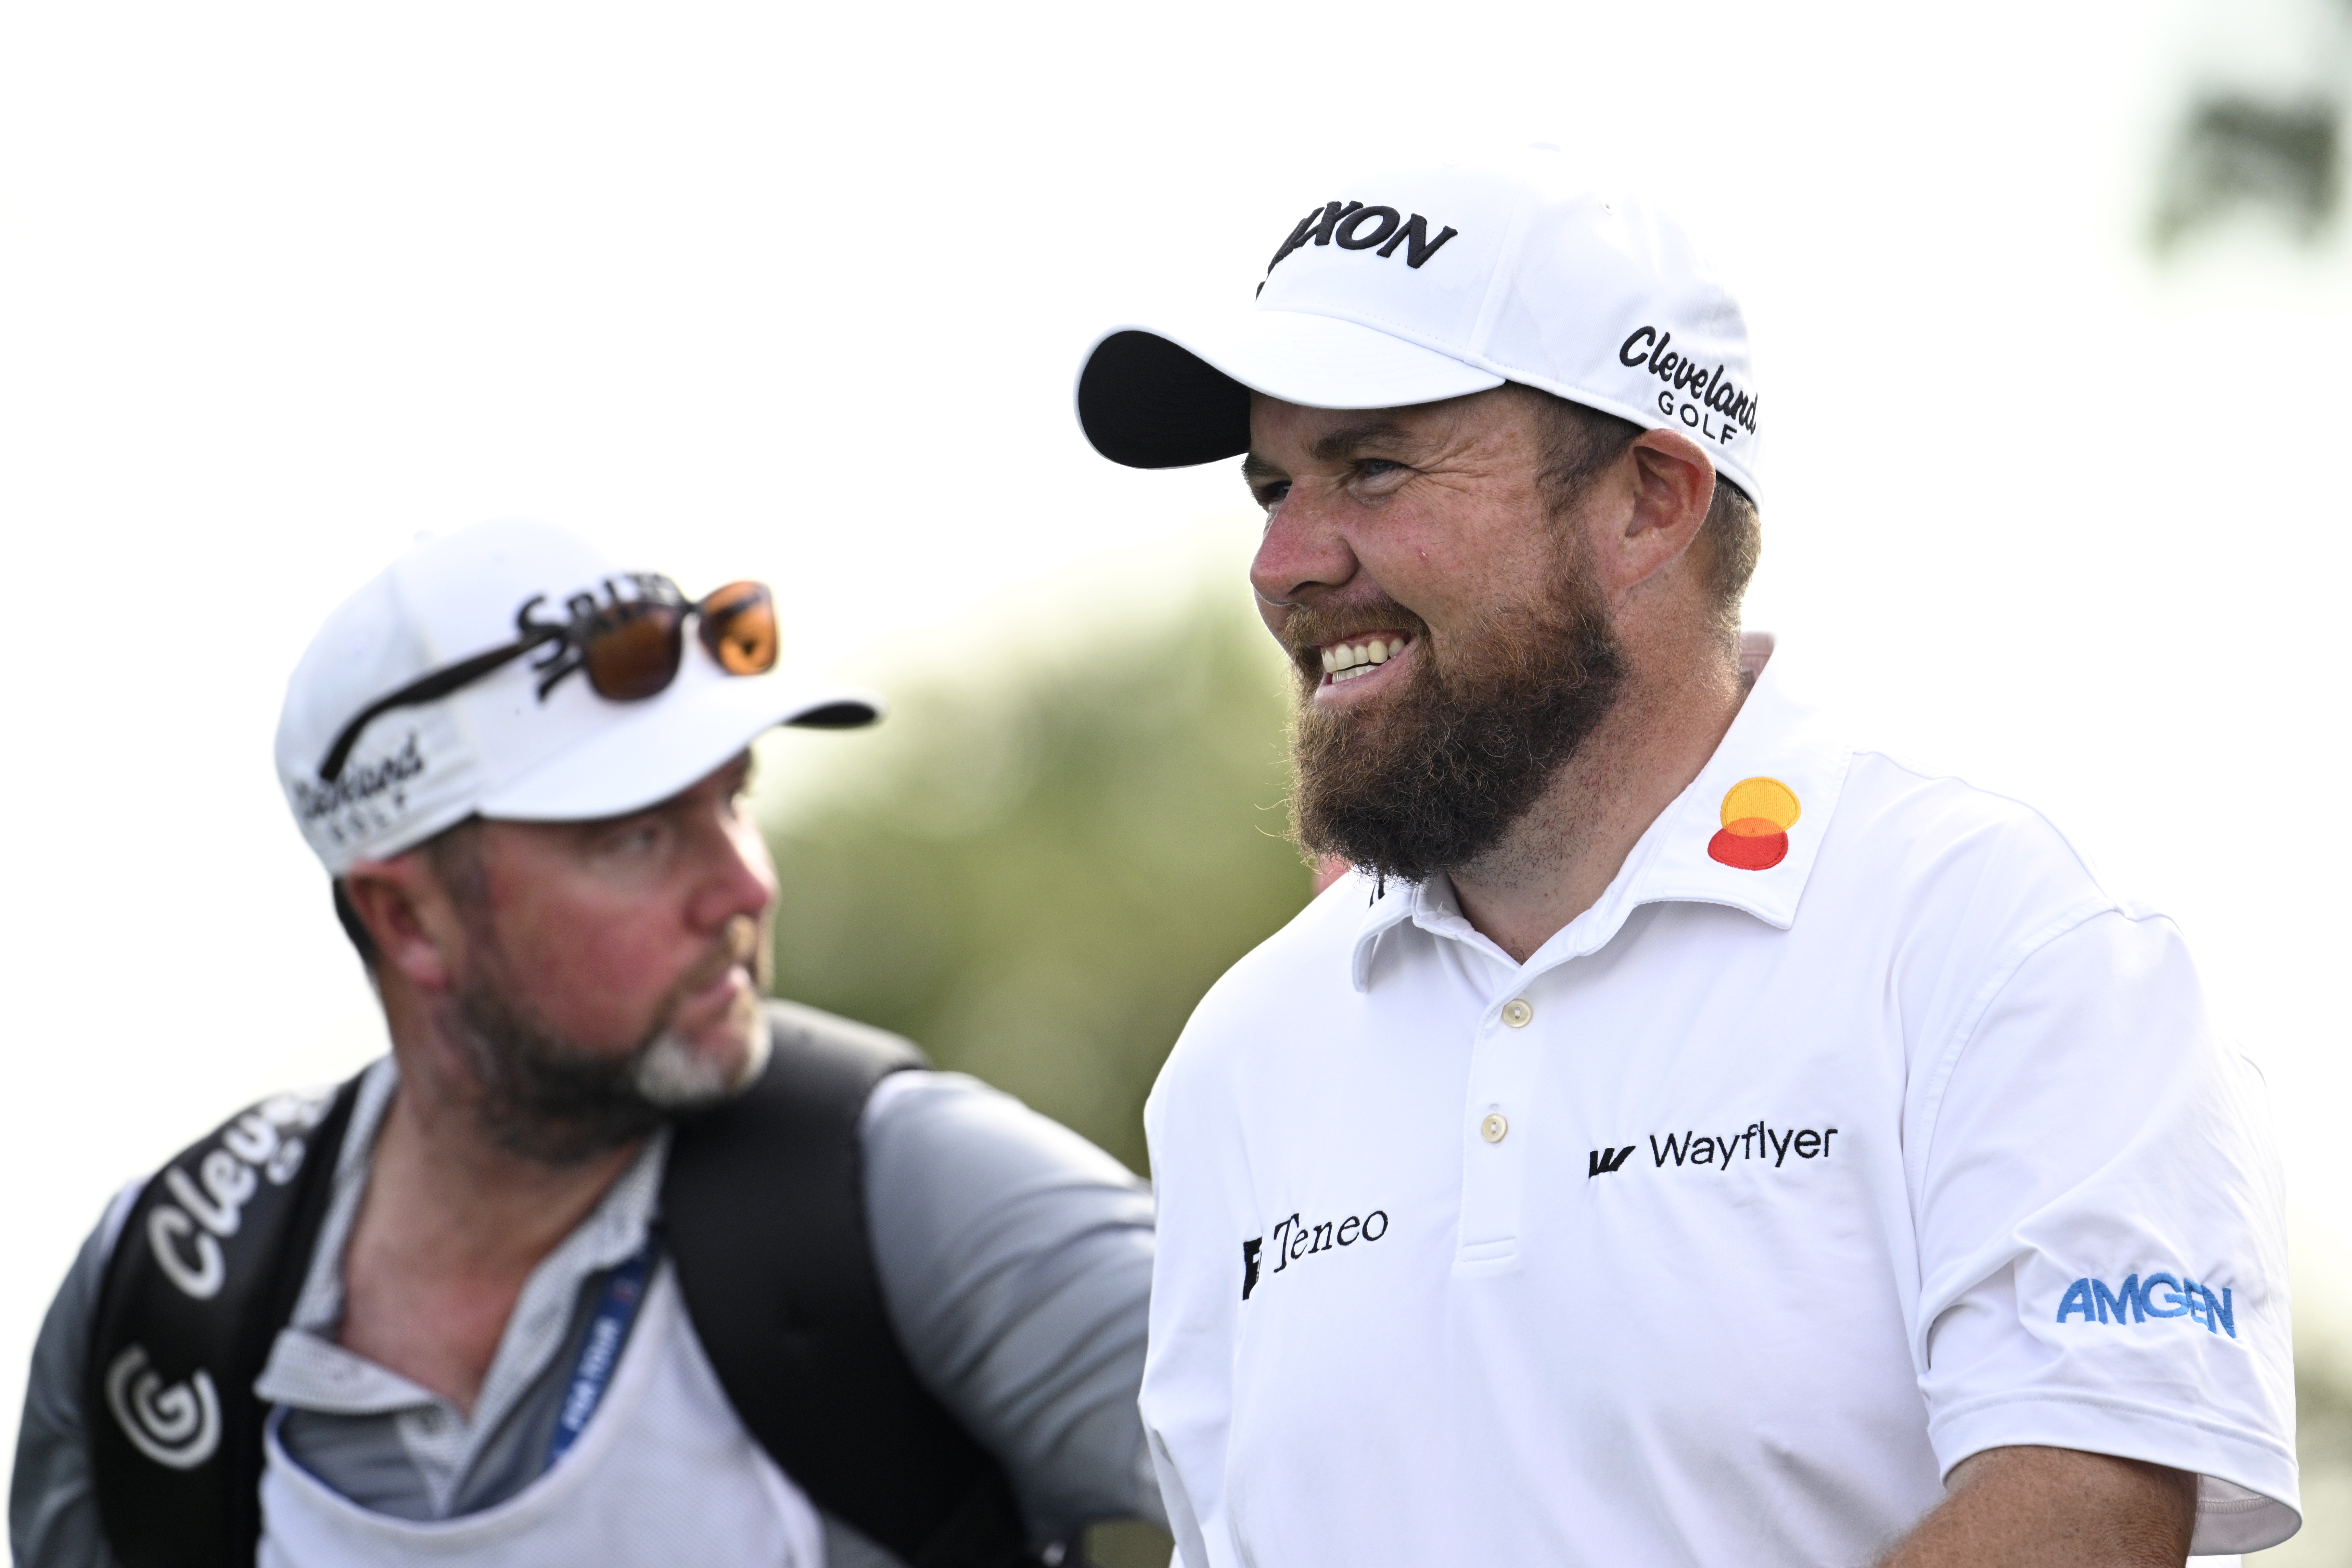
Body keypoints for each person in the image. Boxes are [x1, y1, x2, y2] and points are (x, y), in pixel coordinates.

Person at [1073, 147, 2296, 1567]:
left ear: (1650, 499)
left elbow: (2083, 1516)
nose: (1281, 562)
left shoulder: (2000, 942)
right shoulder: (1240, 1053)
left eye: (1373, 467)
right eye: (1271, 486)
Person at [11, 519, 1162, 1567]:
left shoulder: (902, 1184)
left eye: (735, 796)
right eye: (640, 836)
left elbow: (1325, 1474)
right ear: (407, 918)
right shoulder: (168, 1286)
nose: (746, 883)